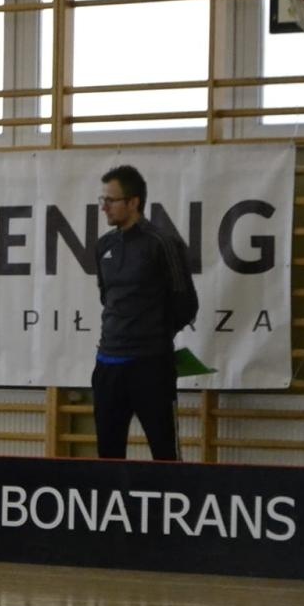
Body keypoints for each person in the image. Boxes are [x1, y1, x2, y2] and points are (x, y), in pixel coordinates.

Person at [93, 164, 199, 461]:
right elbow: (108, 296)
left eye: (110, 201)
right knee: (107, 456)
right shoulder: (104, 246)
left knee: (165, 454)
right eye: (103, 201)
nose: (104, 208)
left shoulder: (162, 243)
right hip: (107, 365)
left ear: (133, 202)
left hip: (151, 366)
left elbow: (186, 303)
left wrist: (153, 337)